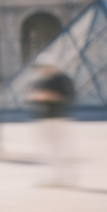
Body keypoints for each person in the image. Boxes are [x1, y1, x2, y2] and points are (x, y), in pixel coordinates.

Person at [28, 52, 76, 186]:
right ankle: (48, 177)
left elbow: (70, 97)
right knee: (45, 150)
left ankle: (64, 177)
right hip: (42, 118)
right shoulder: (40, 79)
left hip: (57, 118)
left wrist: (50, 96)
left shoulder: (62, 79)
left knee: (58, 149)